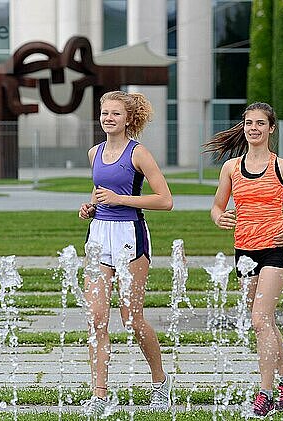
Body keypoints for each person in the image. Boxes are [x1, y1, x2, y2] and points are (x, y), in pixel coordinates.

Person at [206, 102, 283, 417]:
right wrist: (218, 218)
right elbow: (216, 206)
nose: (253, 128)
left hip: (275, 250)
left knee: (259, 320)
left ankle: (266, 392)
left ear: (271, 128)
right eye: (248, 123)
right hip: (244, 251)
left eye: (260, 123)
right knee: (264, 322)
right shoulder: (231, 168)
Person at [78, 90, 174, 417]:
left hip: (131, 236)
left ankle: (160, 383)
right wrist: (91, 207)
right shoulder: (94, 153)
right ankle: (99, 394)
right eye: (105, 113)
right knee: (96, 318)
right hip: (99, 237)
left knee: (131, 319)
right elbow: (100, 193)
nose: (108, 118)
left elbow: (165, 200)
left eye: (115, 113)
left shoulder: (139, 154)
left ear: (127, 118)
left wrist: (121, 201)